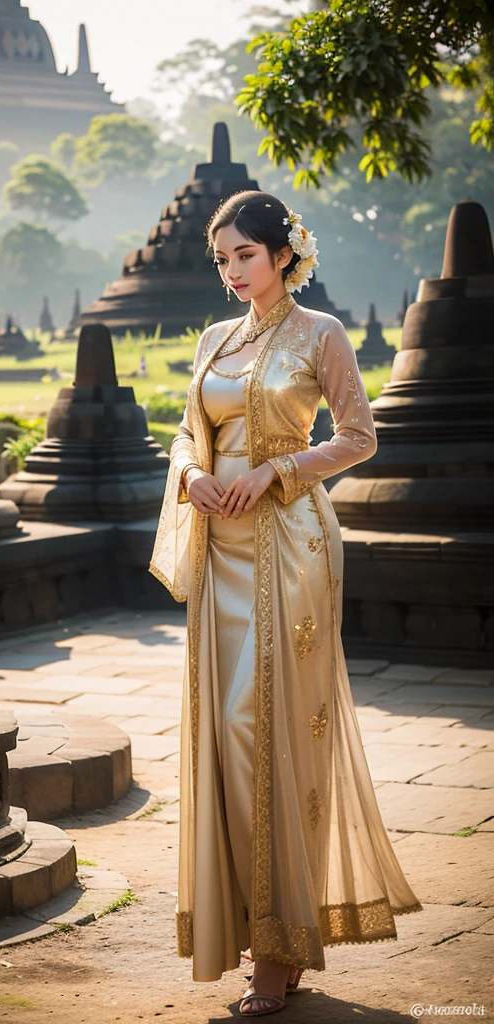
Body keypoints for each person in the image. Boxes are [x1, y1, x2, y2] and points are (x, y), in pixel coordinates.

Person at [149, 191, 423, 1017]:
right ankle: (248, 929)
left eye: (245, 256)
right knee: (222, 740)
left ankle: (281, 947)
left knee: (259, 730)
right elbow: (186, 433)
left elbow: (360, 434)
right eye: (222, 259)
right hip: (217, 550)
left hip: (286, 552)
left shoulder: (320, 334)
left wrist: (279, 471)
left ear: (283, 254)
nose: (233, 272)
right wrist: (194, 475)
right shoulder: (214, 340)